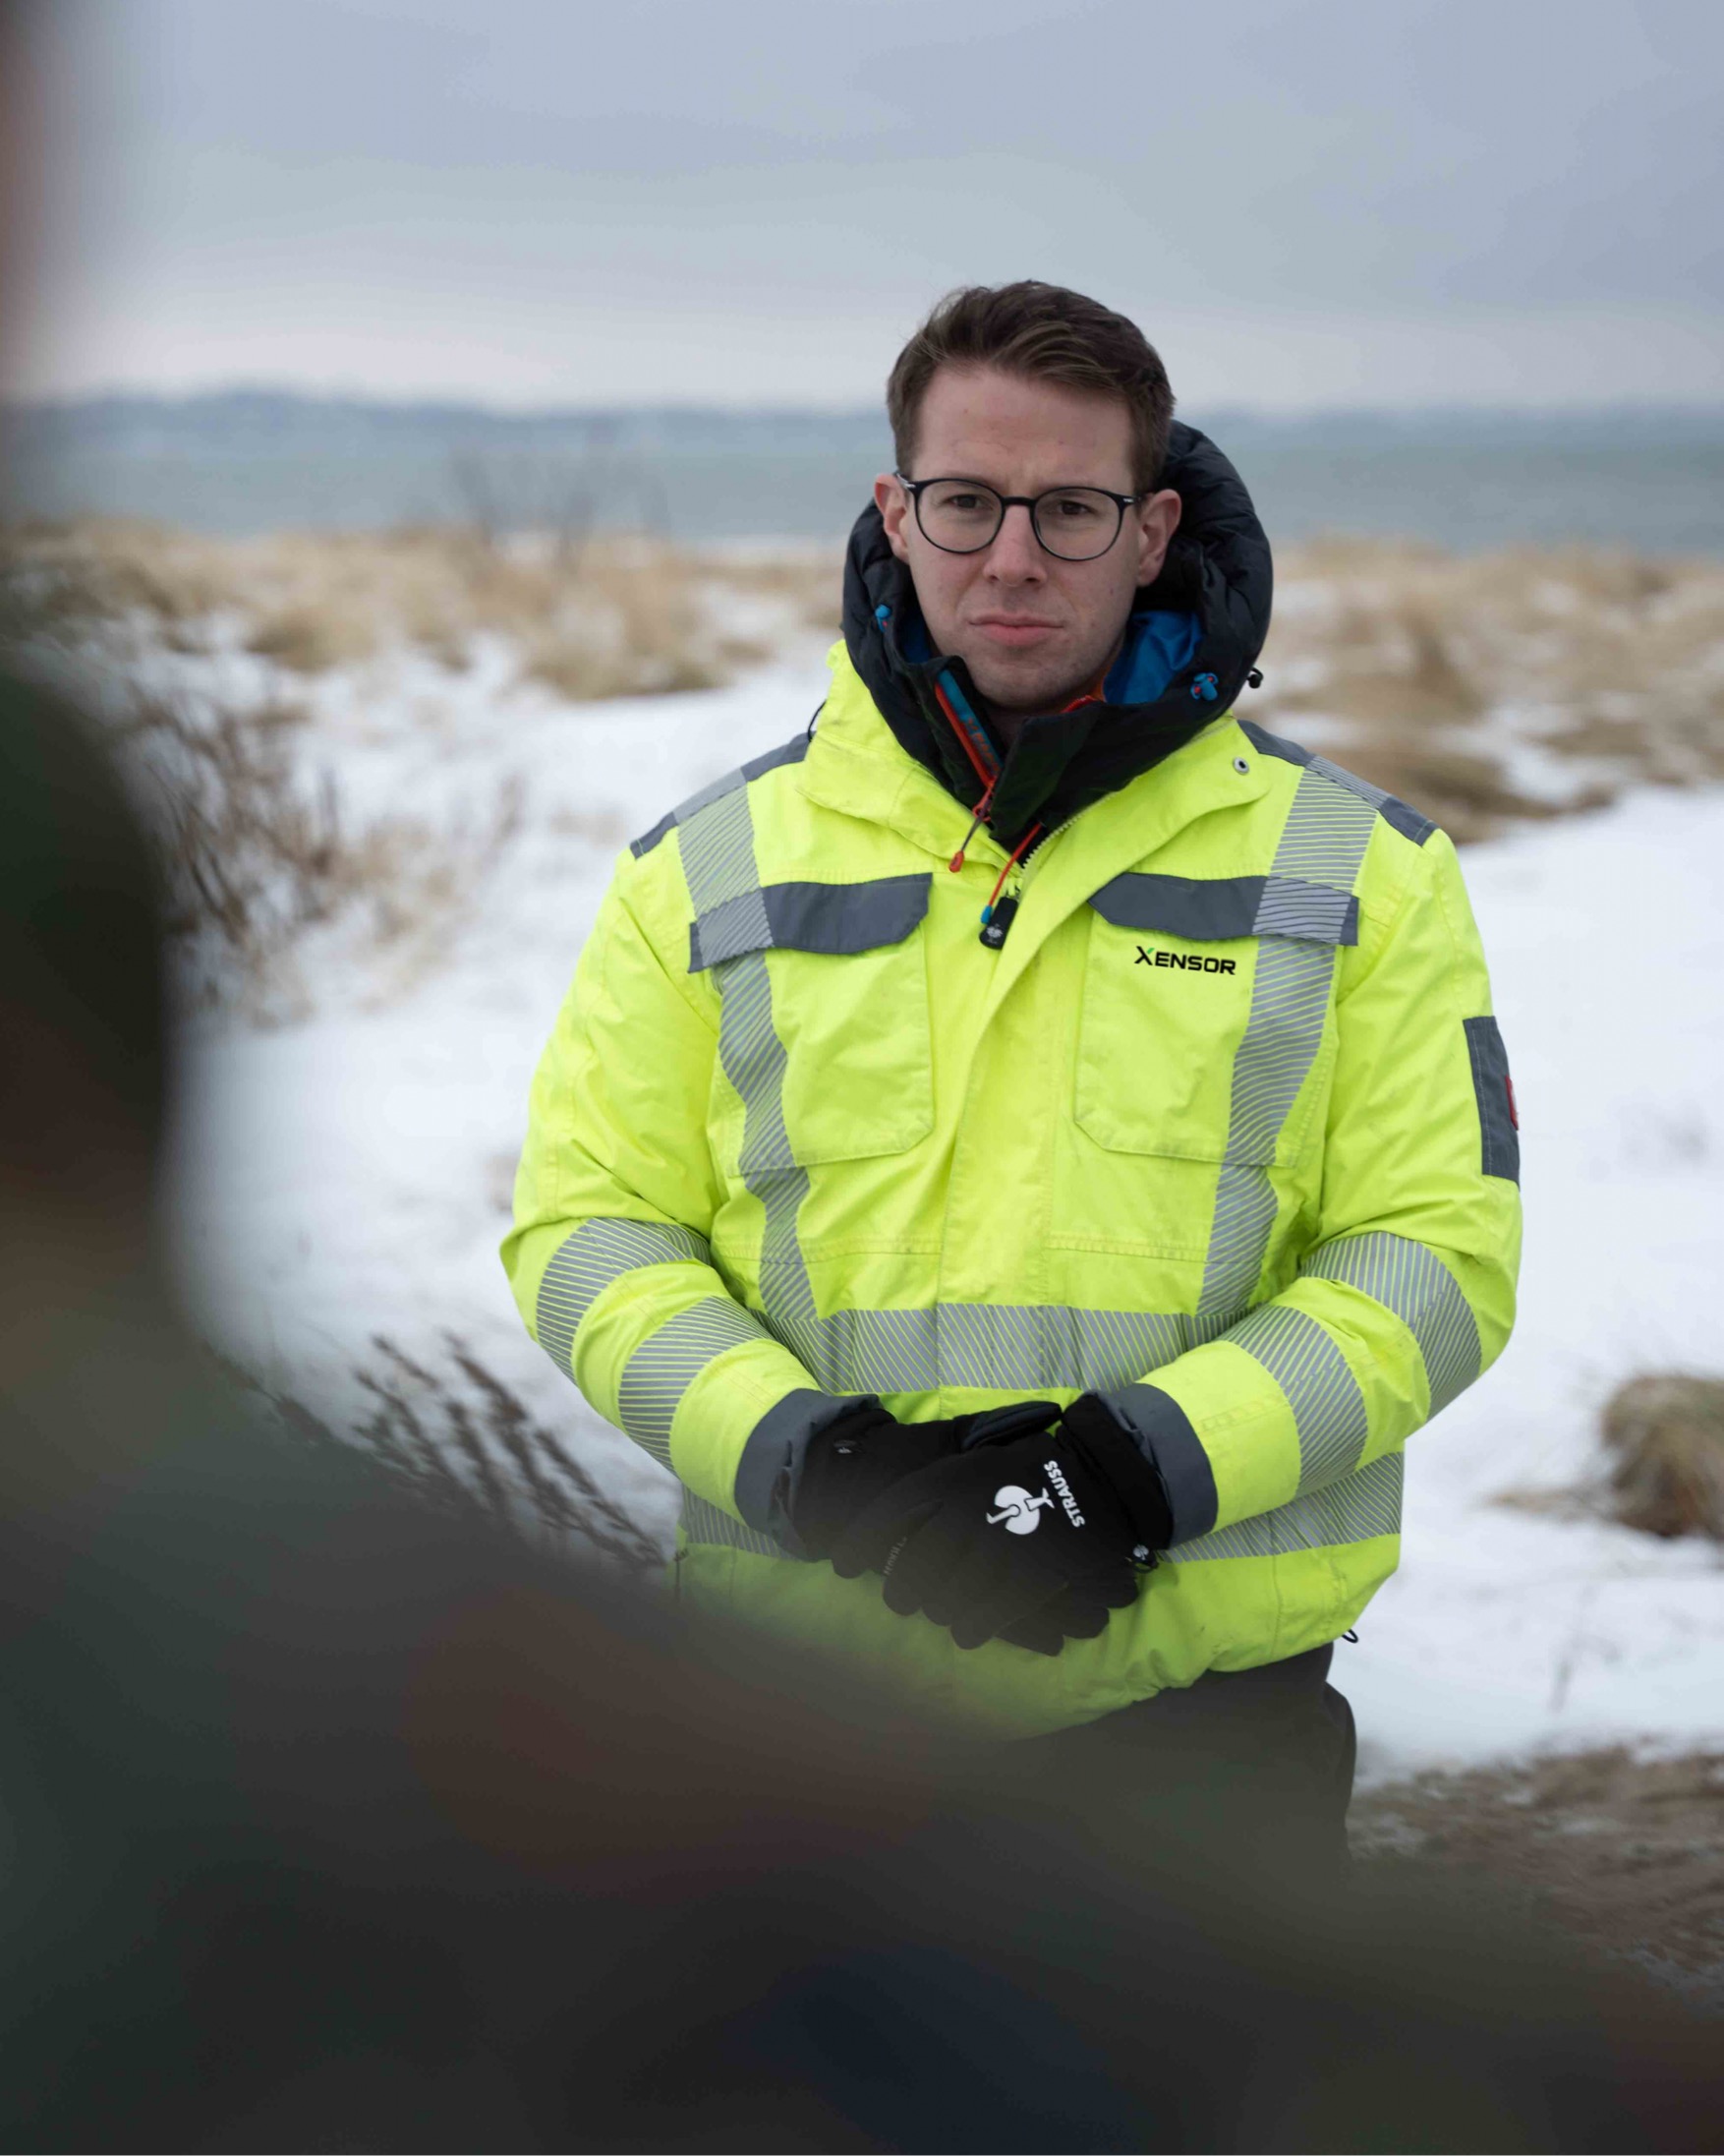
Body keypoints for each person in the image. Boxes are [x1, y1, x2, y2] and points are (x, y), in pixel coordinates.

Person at [504, 280, 1523, 1864]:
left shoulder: (1362, 871)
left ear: (1150, 523)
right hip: (793, 1720)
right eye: (966, 501)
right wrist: (814, 1468)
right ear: (893, 512)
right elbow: (590, 1237)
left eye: (1068, 507)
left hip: (1202, 1737)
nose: (1012, 555)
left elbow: (1433, 1262)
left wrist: (1127, 1476)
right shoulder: (700, 871)